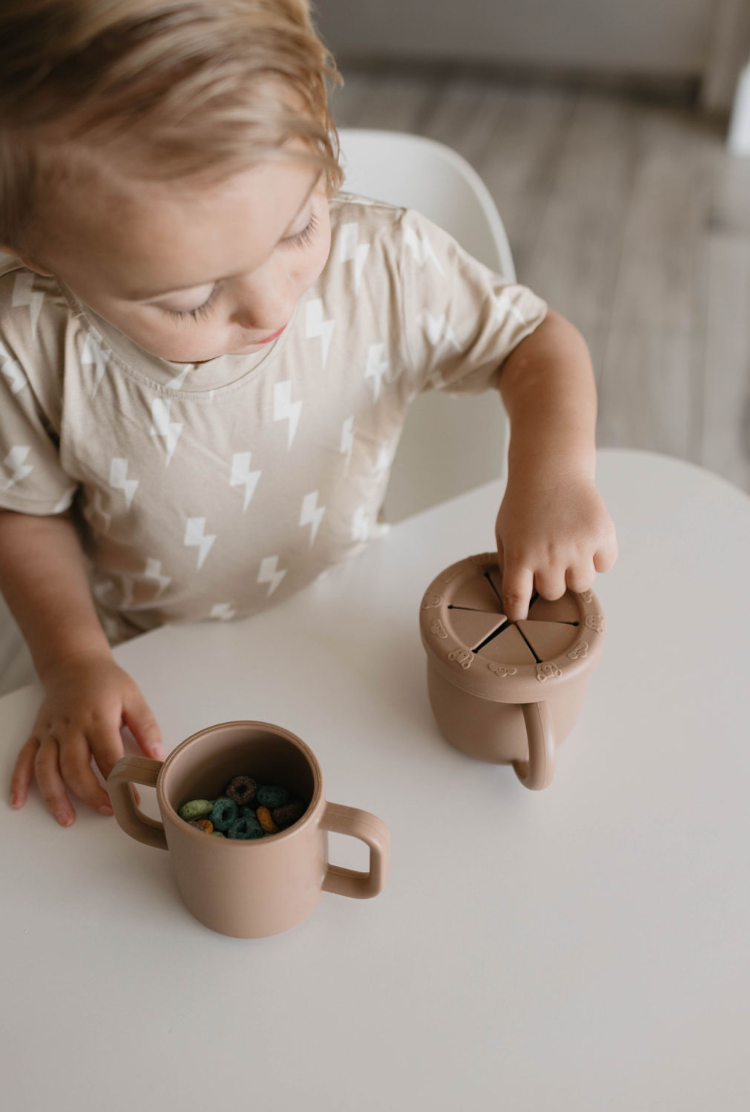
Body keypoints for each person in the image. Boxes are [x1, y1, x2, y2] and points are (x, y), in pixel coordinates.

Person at [0, 0, 617, 827]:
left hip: (347, 621)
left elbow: (534, 344)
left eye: (298, 228)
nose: (268, 305)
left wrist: (555, 470)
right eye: (190, 300)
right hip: (138, 651)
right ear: (36, 252)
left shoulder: (385, 266)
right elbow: (22, 512)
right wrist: (73, 659)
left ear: (323, 130)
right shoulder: (29, 341)